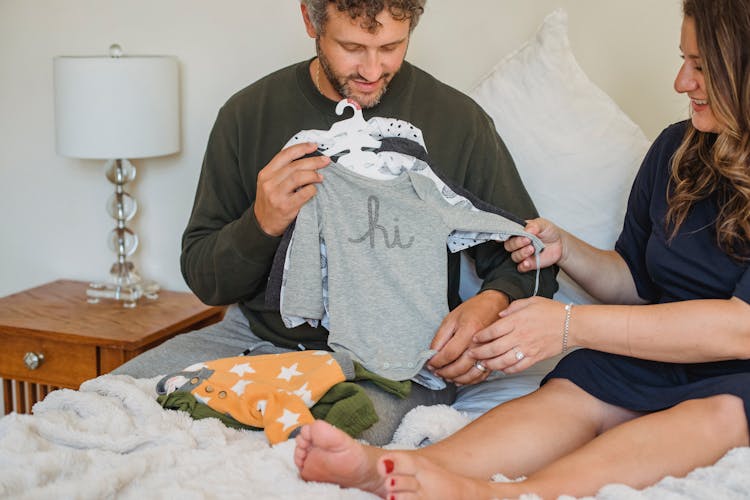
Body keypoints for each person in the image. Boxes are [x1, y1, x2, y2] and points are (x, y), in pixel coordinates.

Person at [291, 0, 750, 496]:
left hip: (738, 379)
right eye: (683, 60)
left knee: (722, 410)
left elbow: (741, 329)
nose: (682, 82)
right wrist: (567, 249)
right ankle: (403, 468)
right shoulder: (678, 149)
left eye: (700, 67)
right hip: (663, 357)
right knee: (577, 387)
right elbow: (638, 285)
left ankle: (503, 494)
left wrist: (570, 326)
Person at [112, 0, 557, 446]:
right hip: (252, 341)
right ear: (310, 20)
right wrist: (261, 223)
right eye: (352, 46)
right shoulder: (247, 115)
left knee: (316, 451)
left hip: (392, 362)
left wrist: (489, 304)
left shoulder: (456, 123)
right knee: (111, 401)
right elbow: (207, 282)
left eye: (391, 46)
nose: (372, 68)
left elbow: (530, 256)